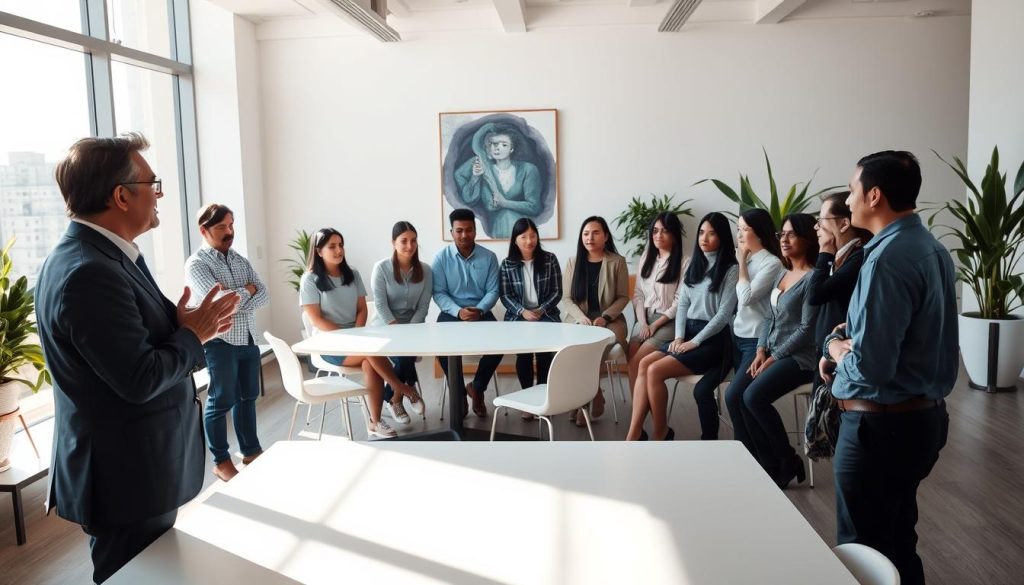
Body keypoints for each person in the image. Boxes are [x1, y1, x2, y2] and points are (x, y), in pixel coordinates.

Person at [35, 133, 239, 583]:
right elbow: (139, 377)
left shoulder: (104, 256)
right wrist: (193, 333)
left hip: (134, 467)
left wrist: (180, 326)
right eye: (153, 182)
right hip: (124, 476)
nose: (161, 192)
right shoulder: (89, 271)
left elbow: (131, 346)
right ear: (121, 196)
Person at [822, 151, 956, 585]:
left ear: (874, 195)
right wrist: (851, 334)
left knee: (863, 553)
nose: (849, 198)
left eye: (853, 188)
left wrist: (838, 353)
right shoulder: (930, 248)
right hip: (921, 419)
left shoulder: (885, 259)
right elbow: (910, 334)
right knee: (898, 542)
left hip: (880, 428)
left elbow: (872, 368)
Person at [725, 213, 819, 489]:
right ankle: (767, 461)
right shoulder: (783, 272)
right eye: (782, 235)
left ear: (807, 238)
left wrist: (775, 356)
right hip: (772, 349)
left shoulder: (813, 278)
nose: (785, 240)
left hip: (800, 357)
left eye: (791, 234)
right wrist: (762, 348)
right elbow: (768, 316)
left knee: (752, 396)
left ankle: (786, 458)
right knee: (739, 395)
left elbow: (807, 329)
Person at [626, 212, 738, 441]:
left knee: (654, 369)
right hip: (688, 333)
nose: (704, 238)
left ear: (723, 237)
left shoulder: (730, 269)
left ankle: (659, 434)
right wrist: (678, 338)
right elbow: (684, 305)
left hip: (713, 340)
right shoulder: (696, 264)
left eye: (712, 233)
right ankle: (647, 432)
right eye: (702, 233)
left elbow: (724, 314)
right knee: (644, 363)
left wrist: (693, 342)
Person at [184, 204, 270, 482]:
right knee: (221, 399)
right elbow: (220, 304)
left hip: (247, 337)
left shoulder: (240, 260)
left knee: (248, 397)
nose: (229, 231)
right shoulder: (197, 264)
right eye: (222, 226)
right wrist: (247, 290)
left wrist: (238, 297)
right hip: (219, 340)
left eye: (231, 225)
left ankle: (251, 451)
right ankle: (221, 460)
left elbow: (264, 294)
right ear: (204, 230)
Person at [300, 227, 412, 438]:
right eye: (332, 246)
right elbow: (316, 319)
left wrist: (357, 334)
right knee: (373, 353)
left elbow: (362, 309)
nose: (338, 250)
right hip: (328, 343)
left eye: (340, 245)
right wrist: (350, 338)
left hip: (357, 339)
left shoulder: (353, 274)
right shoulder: (310, 280)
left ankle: (375, 422)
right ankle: (400, 387)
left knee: (371, 360)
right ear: (319, 250)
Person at [432, 208, 503, 417]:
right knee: (439, 345)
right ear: (451, 232)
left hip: (479, 310)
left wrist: (479, 309)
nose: (464, 235)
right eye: (459, 230)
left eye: (469, 230)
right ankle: (459, 392)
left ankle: (478, 388)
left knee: (501, 342)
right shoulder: (441, 258)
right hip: (452, 312)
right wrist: (458, 311)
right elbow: (439, 293)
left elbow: (493, 290)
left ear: (475, 230)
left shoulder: (489, 257)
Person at [561, 215, 629, 426]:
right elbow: (566, 298)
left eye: (596, 232)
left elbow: (623, 296)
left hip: (610, 319)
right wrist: (581, 318)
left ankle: (581, 402)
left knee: (596, 348)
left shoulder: (617, 262)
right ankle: (594, 394)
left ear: (606, 236)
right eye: (586, 233)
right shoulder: (573, 262)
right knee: (573, 350)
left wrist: (605, 317)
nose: (590, 237)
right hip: (579, 320)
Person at [499, 217, 562, 420]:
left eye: (533, 235)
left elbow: (557, 291)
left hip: (546, 314)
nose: (529, 241)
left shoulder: (550, 259)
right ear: (515, 240)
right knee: (524, 355)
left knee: (545, 355)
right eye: (523, 236)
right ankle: (527, 399)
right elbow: (505, 295)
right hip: (519, 316)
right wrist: (522, 312)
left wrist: (542, 309)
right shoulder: (507, 264)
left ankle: (542, 399)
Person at [808, 191, 871, 387]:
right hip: (827, 347)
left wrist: (825, 251)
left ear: (844, 224)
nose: (816, 226)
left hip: (840, 350)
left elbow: (816, 294)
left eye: (821, 219)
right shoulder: (842, 256)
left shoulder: (858, 257)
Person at [370, 221, 431, 423]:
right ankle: (408, 388)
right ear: (393, 243)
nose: (409, 245)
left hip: (413, 325)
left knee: (406, 348)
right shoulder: (381, 268)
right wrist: (396, 328)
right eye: (403, 241)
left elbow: (423, 307)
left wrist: (409, 331)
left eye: (413, 241)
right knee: (405, 351)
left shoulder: (426, 270)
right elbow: (380, 304)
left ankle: (394, 397)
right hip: (385, 325)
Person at [626, 212, 687, 394]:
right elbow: (638, 294)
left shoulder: (685, 263)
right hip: (644, 318)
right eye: (655, 231)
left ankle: (643, 417)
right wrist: (643, 323)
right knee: (632, 361)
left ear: (674, 235)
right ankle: (638, 412)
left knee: (638, 362)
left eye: (664, 231)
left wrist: (654, 325)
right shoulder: (646, 257)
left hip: (667, 322)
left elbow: (679, 302)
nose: (658, 236)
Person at [454, 123, 543, 238]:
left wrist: (505, 203)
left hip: (523, 232)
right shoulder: (481, 165)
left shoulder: (528, 169)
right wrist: (475, 177)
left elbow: (534, 207)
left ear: (512, 148)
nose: (497, 148)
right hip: (495, 230)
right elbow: (468, 198)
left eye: (504, 145)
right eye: (492, 144)